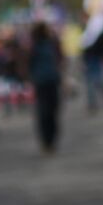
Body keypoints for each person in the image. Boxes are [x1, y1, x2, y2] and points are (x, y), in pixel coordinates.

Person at [29, 21, 63, 154]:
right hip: (41, 83)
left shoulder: (51, 44)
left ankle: (51, 139)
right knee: (44, 113)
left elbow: (58, 60)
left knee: (53, 111)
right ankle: (46, 141)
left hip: (52, 81)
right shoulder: (34, 47)